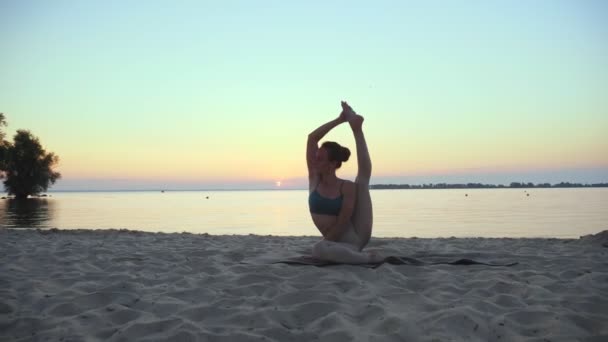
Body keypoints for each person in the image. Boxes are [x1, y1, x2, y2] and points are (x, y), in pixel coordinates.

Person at [307, 101, 382, 264]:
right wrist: (339, 120)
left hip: (354, 239)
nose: (314, 160)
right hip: (334, 244)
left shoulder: (346, 187)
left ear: (332, 164)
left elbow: (342, 221)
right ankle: (356, 257)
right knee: (320, 249)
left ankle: (357, 130)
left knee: (362, 181)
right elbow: (312, 138)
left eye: (320, 158)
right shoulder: (314, 179)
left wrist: (326, 242)